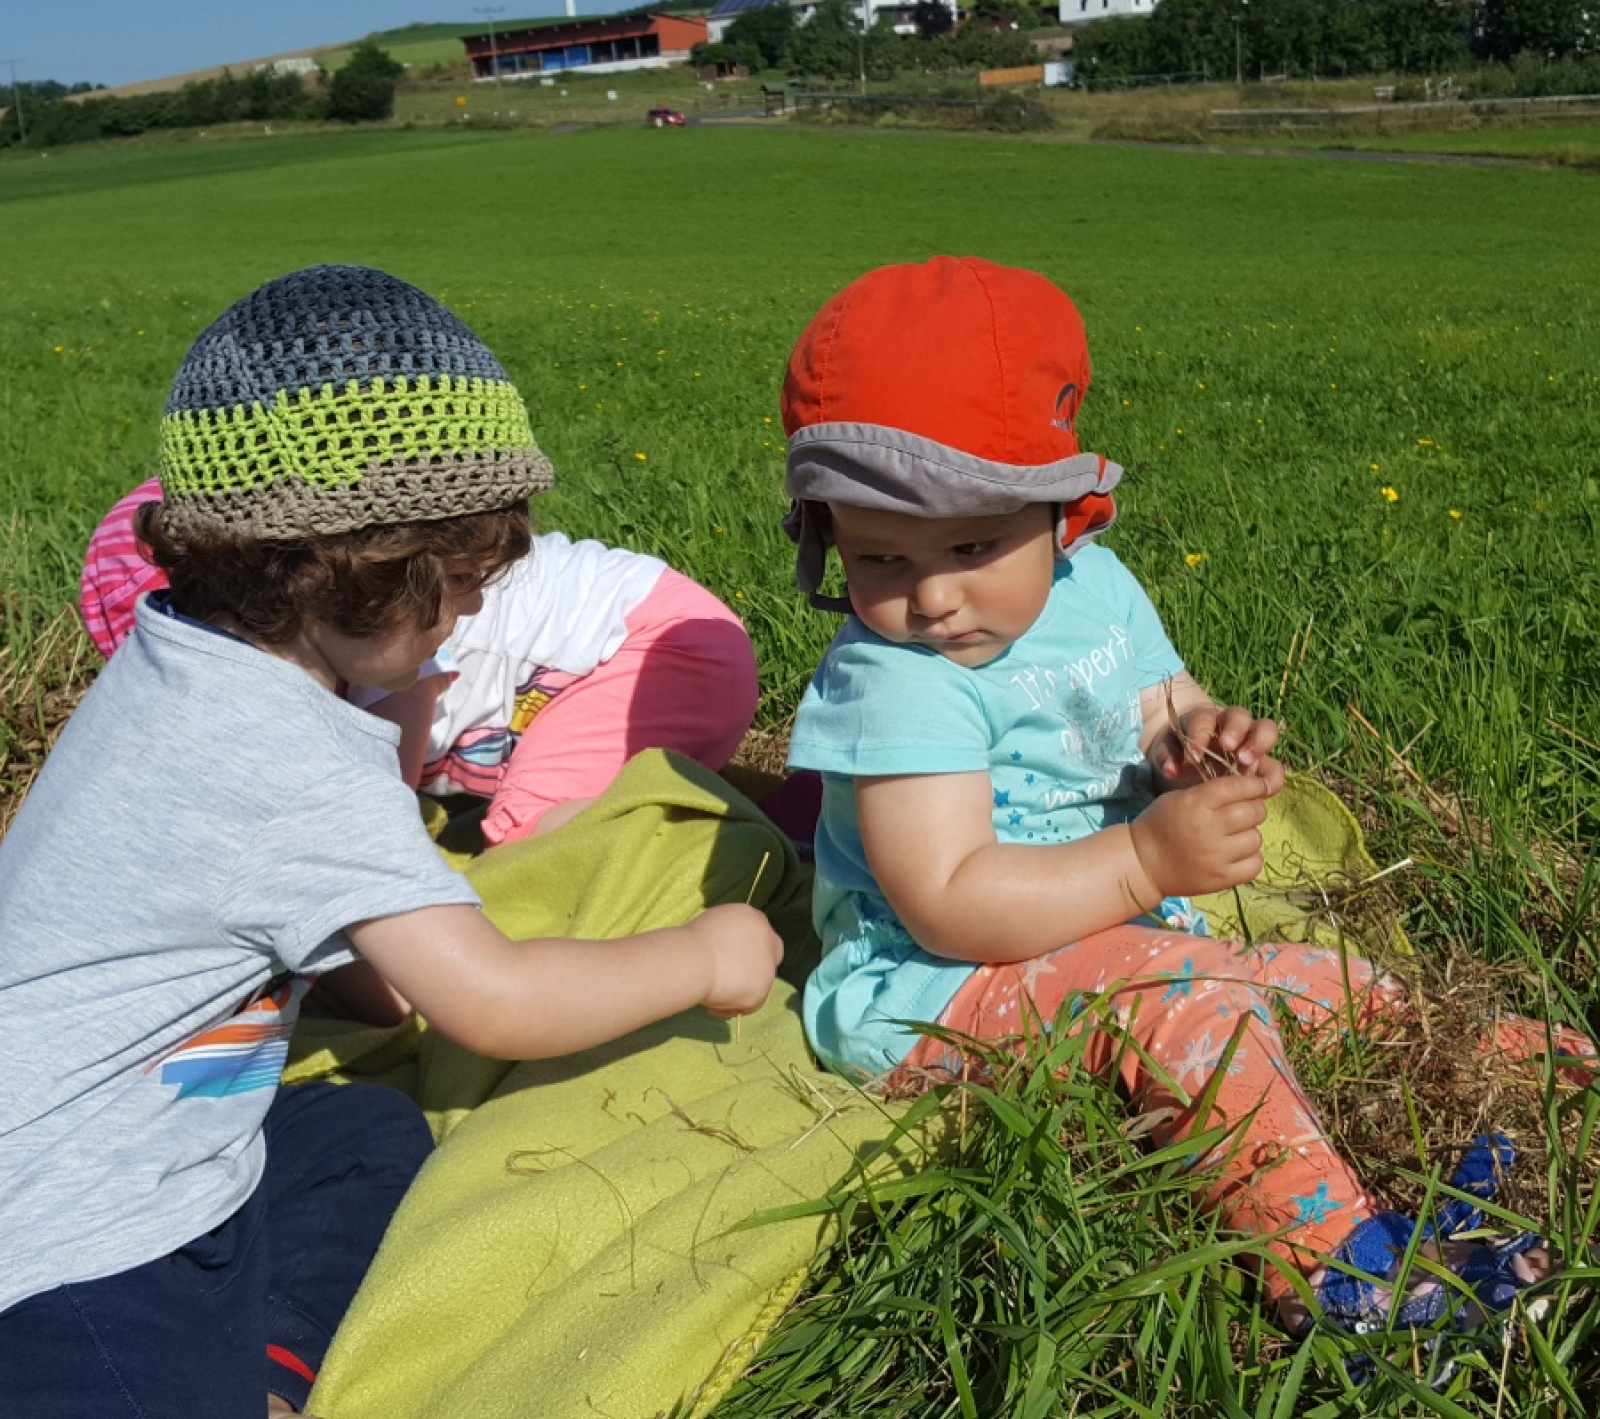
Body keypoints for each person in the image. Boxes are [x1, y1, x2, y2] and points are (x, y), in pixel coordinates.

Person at [0, 265, 783, 1418]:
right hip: (77, 1229)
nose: (468, 615)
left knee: (362, 1131)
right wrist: (706, 956)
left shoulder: (177, 657)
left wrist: (374, 980)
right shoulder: (288, 756)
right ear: (356, 572)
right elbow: (495, 1003)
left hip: (148, 1133)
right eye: (457, 585)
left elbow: (334, 950)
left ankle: (269, 1368)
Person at [777, 255, 1589, 1348]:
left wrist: (1194, 740)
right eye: (878, 556)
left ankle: (1499, 1074)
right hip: (935, 990)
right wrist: (1144, 863)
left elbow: (1159, 700)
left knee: (1320, 983)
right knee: (1183, 999)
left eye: (972, 546)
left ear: (1063, 512)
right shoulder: (894, 677)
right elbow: (948, 902)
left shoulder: (1096, 589)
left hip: (1112, 937)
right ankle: (1340, 1276)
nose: (930, 596)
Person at [81, 496, 760, 846]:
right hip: (661, 638)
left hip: (658, 646)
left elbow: (383, 806)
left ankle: (735, 852)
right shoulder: (346, 621)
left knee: (527, 838)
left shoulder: (380, 629)